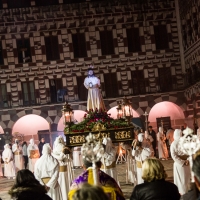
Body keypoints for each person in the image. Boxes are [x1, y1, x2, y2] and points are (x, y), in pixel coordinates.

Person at [52, 136, 74, 200]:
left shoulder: (58, 148)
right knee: (65, 184)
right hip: (65, 169)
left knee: (63, 185)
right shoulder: (63, 147)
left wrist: (52, 154)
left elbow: (60, 158)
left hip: (61, 169)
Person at [170, 129, 191, 195]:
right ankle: (184, 192)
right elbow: (174, 156)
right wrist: (185, 161)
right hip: (181, 164)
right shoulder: (175, 144)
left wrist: (186, 160)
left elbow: (173, 156)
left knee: (185, 179)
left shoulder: (175, 143)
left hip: (183, 163)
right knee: (182, 180)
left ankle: (185, 192)